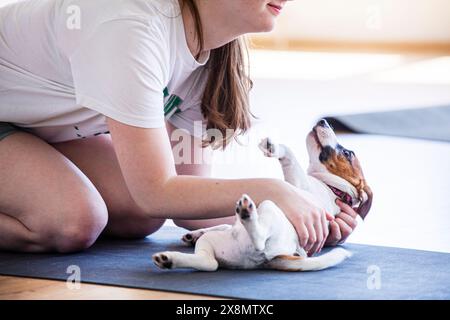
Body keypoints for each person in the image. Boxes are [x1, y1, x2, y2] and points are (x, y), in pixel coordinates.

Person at [0, 0, 360, 254]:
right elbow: (157, 191)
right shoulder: (131, 27)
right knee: (73, 220)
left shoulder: (208, 51)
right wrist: (275, 191)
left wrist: (298, 216)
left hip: (23, 122)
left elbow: (186, 204)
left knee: (141, 217)